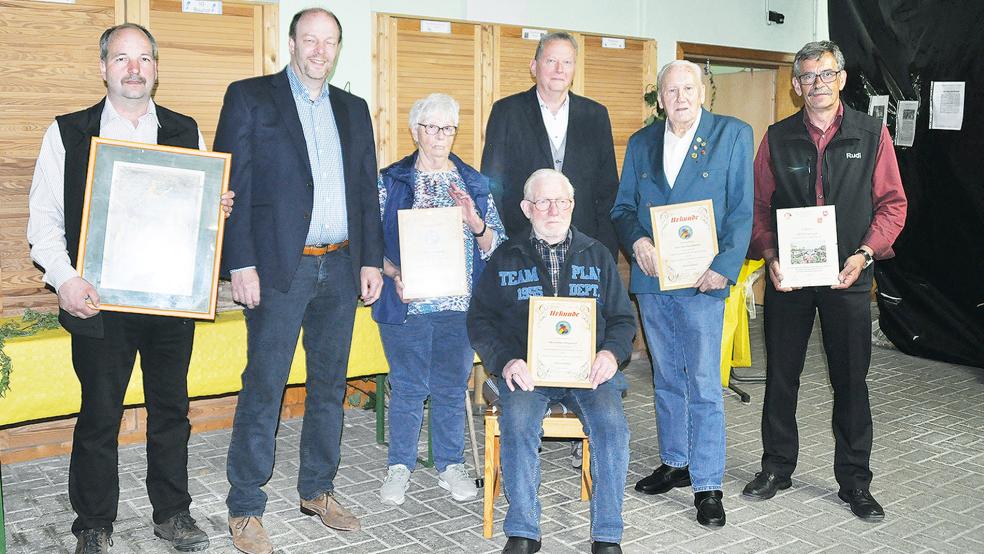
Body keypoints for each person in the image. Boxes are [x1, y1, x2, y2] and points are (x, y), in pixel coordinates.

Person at [27, 23, 233, 554]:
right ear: (103, 68)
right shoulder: (67, 132)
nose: (134, 69)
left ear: (157, 69)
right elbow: (43, 222)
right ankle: (93, 522)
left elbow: (200, 220)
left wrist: (214, 209)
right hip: (96, 303)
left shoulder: (185, 131)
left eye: (144, 58)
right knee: (99, 414)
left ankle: (173, 513)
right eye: (122, 59)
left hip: (169, 301)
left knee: (172, 411)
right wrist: (65, 280)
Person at [213, 8, 383, 554]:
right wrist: (239, 262)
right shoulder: (250, 96)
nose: (319, 51)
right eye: (309, 40)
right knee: (264, 384)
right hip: (278, 267)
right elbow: (230, 182)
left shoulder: (354, 110)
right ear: (291, 43)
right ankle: (245, 506)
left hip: (339, 264)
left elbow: (366, 195)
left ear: (338, 50)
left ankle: (317, 489)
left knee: (330, 386)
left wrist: (371, 260)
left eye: (329, 42)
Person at [742, 40, 907, 521]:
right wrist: (770, 254)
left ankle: (855, 481)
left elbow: (893, 205)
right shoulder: (776, 137)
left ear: (842, 79)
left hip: (848, 278)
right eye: (808, 76)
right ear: (795, 85)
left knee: (851, 381)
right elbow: (757, 208)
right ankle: (776, 467)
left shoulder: (872, 134)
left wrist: (864, 254)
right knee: (781, 378)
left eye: (826, 74)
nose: (817, 84)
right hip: (788, 281)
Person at [611, 60, 753, 528]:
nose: (680, 98)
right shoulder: (641, 141)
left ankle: (708, 482)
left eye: (688, 88)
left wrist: (723, 268)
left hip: (703, 280)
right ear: (660, 98)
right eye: (671, 91)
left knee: (705, 385)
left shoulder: (732, 134)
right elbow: (623, 207)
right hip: (654, 279)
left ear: (703, 92)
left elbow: (740, 210)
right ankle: (676, 460)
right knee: (667, 376)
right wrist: (636, 241)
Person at [468, 169, 635, 554]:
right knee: (519, 421)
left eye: (561, 201)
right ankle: (524, 530)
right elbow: (479, 320)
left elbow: (623, 319)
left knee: (612, 428)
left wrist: (611, 354)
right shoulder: (505, 257)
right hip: (529, 373)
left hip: (590, 371)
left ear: (572, 205)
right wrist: (507, 361)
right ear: (527, 208)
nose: (553, 209)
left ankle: (608, 534)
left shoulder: (598, 255)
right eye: (543, 201)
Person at [373, 93, 506, 506]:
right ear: (414, 131)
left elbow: (495, 246)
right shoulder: (390, 180)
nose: (439, 135)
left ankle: (451, 465)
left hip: (459, 307)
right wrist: (392, 272)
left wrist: (476, 222)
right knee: (408, 387)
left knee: (452, 388)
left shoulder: (474, 183)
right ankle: (400, 467)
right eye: (430, 126)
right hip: (407, 304)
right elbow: (368, 243)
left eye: (447, 127)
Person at [481, 32, 620, 259]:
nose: (559, 69)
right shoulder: (506, 112)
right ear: (534, 67)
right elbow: (492, 187)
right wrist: (501, 247)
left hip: (583, 247)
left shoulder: (596, 115)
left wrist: (605, 252)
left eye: (567, 62)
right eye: (551, 61)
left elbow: (607, 190)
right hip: (521, 246)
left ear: (574, 69)